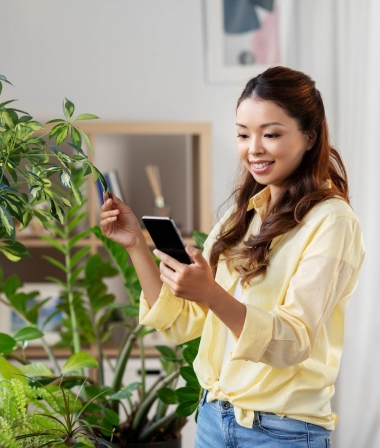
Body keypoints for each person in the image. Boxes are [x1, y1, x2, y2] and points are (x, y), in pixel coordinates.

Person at [99, 66, 365, 448]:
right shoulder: (244, 215)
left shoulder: (333, 222)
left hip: (281, 432)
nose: (253, 148)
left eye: (270, 134)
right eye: (243, 134)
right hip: (213, 419)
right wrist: (136, 246)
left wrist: (211, 294)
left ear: (309, 136)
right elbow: (181, 323)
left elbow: (292, 342)